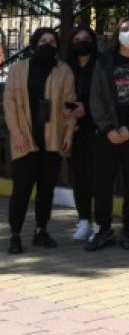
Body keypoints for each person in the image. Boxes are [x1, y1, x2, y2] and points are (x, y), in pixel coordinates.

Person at [4, 27, 75, 253]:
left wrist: (69, 132)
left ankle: (41, 231)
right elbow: (10, 103)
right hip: (25, 138)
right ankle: (15, 234)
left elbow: (71, 104)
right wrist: (16, 133)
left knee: (46, 189)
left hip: (52, 139)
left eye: (52, 41)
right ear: (34, 43)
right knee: (22, 189)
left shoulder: (64, 71)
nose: (48, 44)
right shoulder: (18, 69)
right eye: (43, 40)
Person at [85, 18, 129, 251]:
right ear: (117, 34)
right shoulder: (104, 61)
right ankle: (103, 229)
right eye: (124, 29)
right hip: (107, 134)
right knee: (102, 182)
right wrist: (108, 128)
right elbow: (96, 98)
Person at [65, 26, 98, 243]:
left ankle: (100, 223)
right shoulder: (67, 68)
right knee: (79, 177)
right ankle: (84, 219)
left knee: (98, 177)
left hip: (98, 128)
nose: (81, 42)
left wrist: (87, 108)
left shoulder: (102, 64)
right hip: (74, 129)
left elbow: (108, 97)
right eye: (77, 39)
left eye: (86, 38)